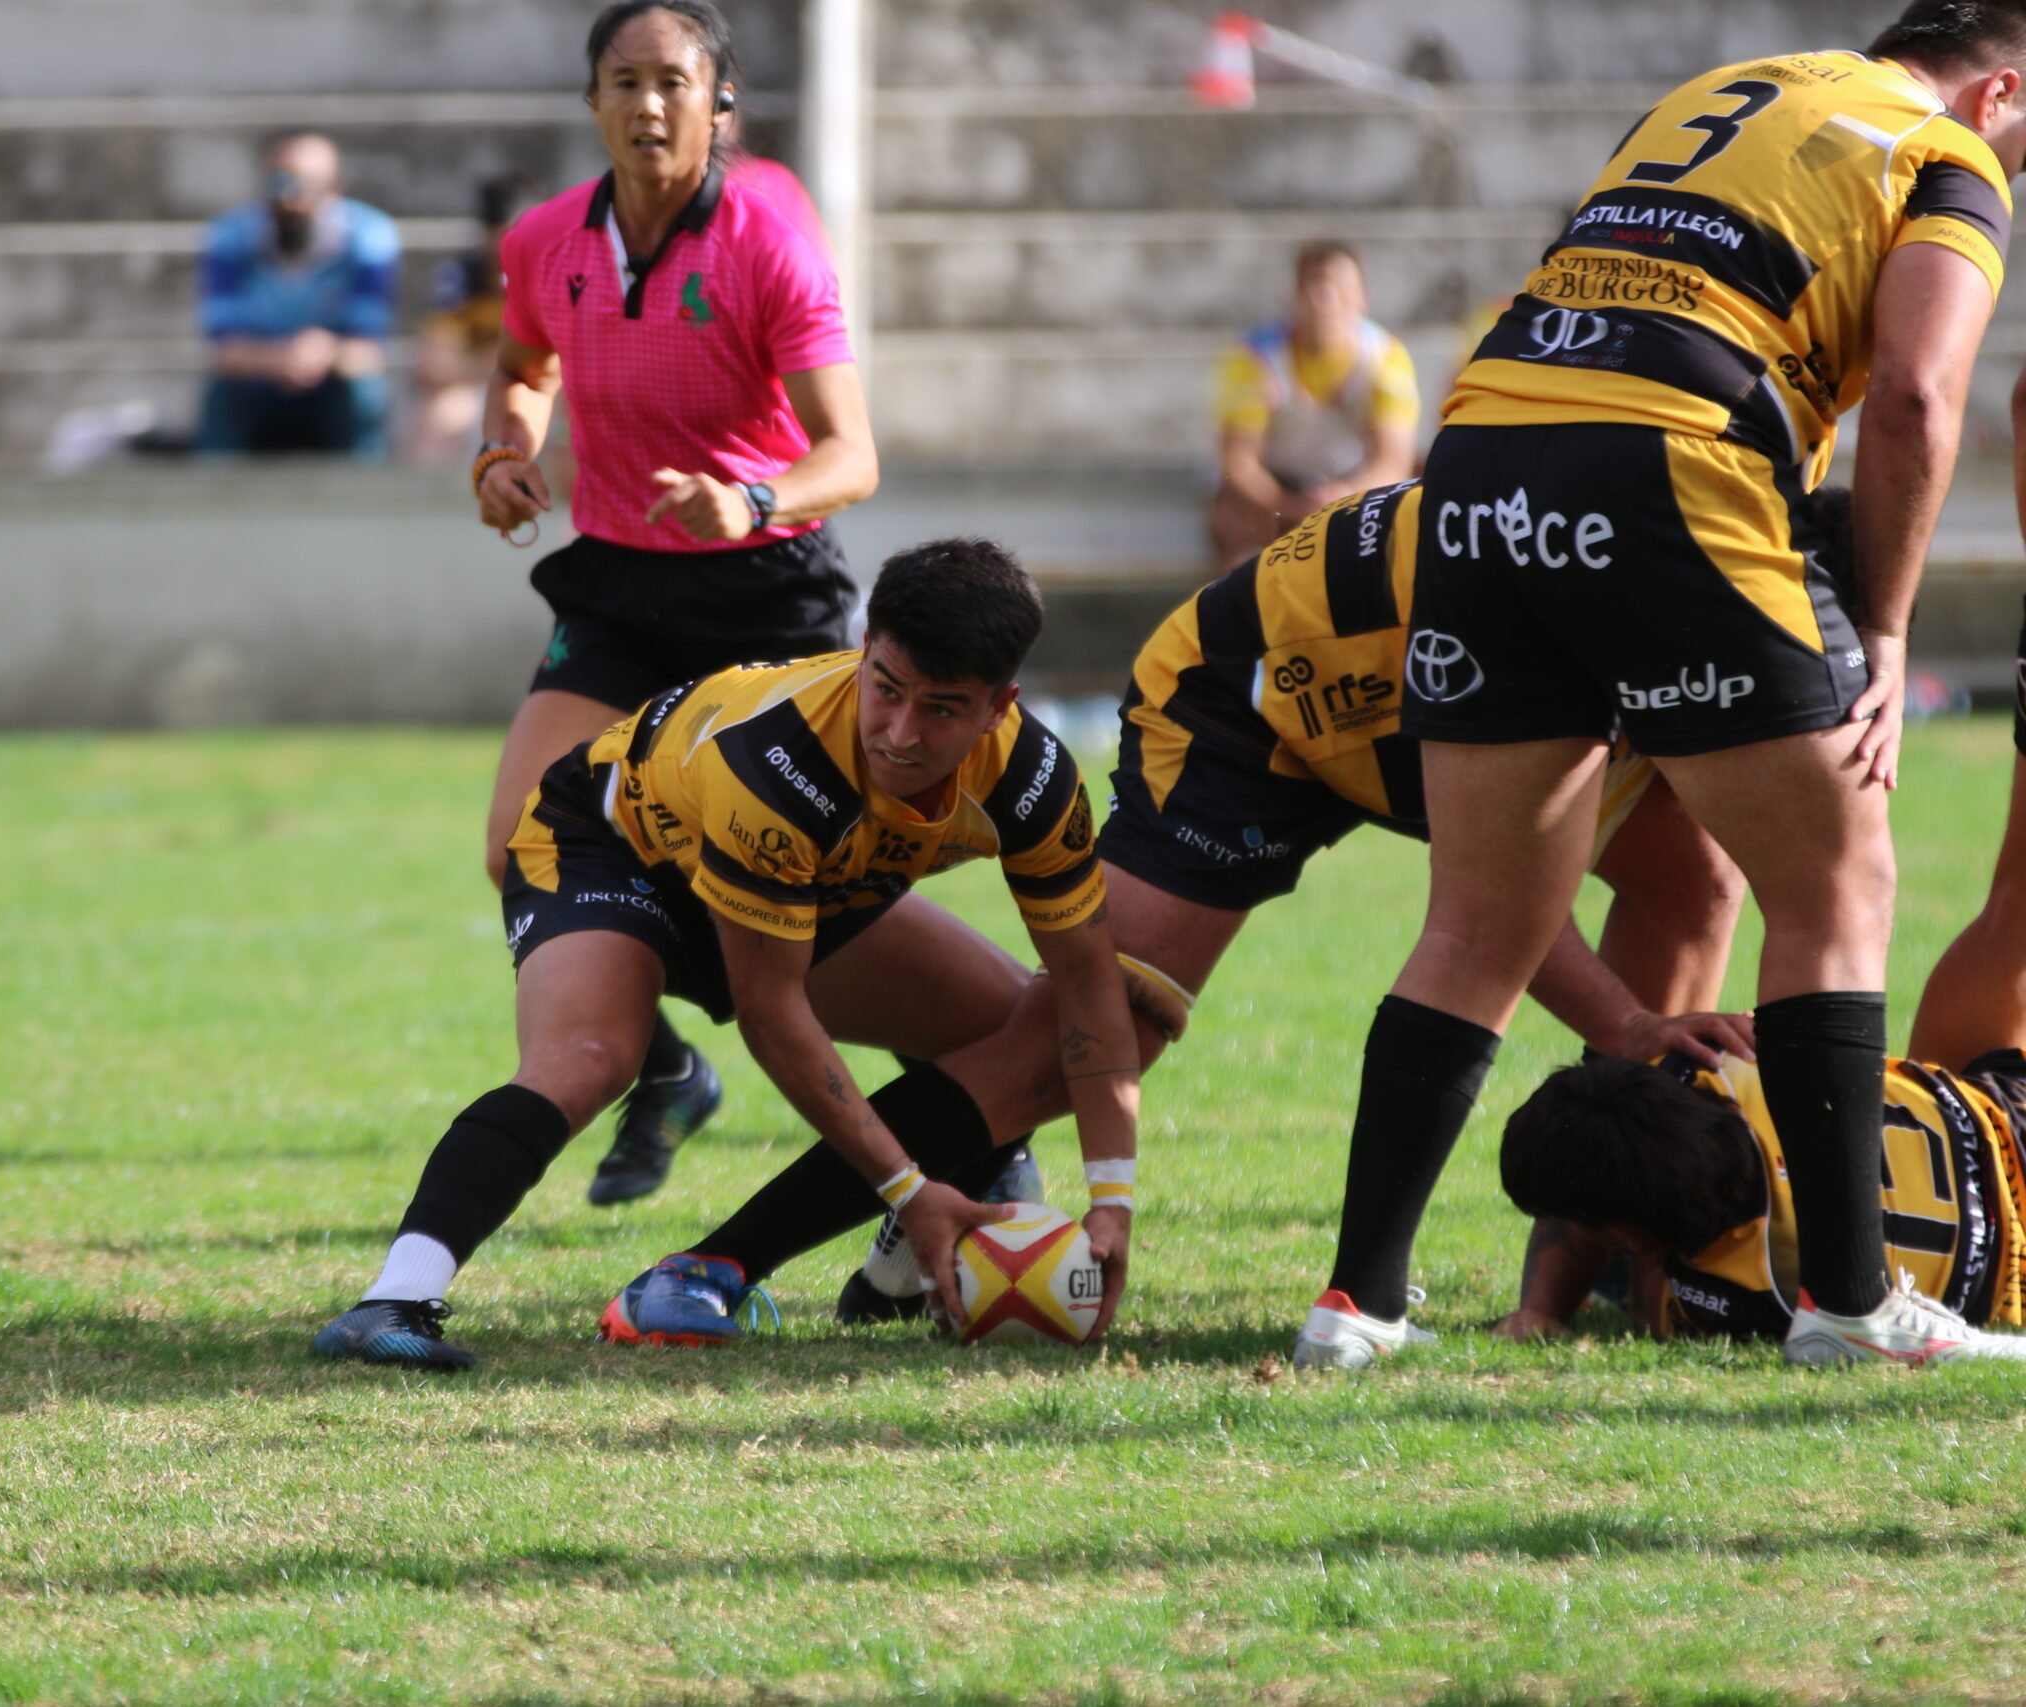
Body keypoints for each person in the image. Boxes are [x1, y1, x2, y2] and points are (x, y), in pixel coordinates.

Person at [1298, 6, 2026, 1372]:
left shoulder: (1733, 88)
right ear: (1999, 89)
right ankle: (1853, 1303)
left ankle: (1357, 1306)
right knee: (1839, 878)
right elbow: (1923, 397)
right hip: (1668, 462)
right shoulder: (1946, 151)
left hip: (1481, 459)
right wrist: (1883, 624)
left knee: (1477, 923)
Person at [666, 481, 1755, 1329]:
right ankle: (717, 1265)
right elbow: (1493, 891)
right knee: (1093, 1033)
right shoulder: (1574, 580)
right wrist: (1621, 1021)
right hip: (1250, 702)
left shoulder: (1687, 565)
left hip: (1413, 702)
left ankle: (1604, 1256)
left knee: (1697, 877)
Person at [310, 539, 1140, 1369]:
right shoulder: (778, 758)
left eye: (942, 709)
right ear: (863, 654)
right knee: (590, 1056)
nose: (899, 731)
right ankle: (395, 1300)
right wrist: (907, 1183)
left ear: (1001, 707)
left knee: (1013, 1030)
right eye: (884, 687)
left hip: (802, 891)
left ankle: (896, 1278)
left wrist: (1114, 1199)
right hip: (614, 847)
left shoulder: (1032, 778)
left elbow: (1087, 982)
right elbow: (772, 1012)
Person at [472, 0, 880, 1208]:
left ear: (719, 104)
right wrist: (504, 454)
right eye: (624, 81)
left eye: (672, 83)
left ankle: (972, 1117)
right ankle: (664, 1073)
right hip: (620, 585)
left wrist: (749, 504)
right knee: (516, 850)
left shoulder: (764, 241)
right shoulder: (548, 240)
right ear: (592, 102)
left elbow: (851, 455)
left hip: (769, 591)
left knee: (833, 908)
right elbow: (521, 368)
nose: (648, 105)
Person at [1494, 1050, 2026, 1354]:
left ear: (1633, 1232)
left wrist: (1542, 1309)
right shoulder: (1706, 1064)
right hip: (1999, 1113)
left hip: (2009, 1273)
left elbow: (1649, 1299)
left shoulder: (1746, 1290)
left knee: (1606, 1279)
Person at [1206, 241, 1421, 565]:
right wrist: (1282, 504)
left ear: (1362, 298)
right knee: (1232, 522)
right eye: (1316, 286)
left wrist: (1343, 496)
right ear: (1295, 296)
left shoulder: (1385, 358)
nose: (1327, 300)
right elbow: (1239, 463)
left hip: (1352, 483)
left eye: (1340, 288)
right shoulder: (1255, 358)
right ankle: (1238, 608)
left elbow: (1394, 461)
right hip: (1275, 487)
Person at [196, 131, 399, 461]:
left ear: (337, 188)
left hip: (331, 389)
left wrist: (325, 352)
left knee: (365, 392)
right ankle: (209, 502)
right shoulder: (227, 238)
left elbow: (370, 349)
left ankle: (363, 501)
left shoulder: (369, 239)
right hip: (257, 389)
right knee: (223, 394)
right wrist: (280, 359)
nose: (292, 198)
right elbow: (222, 349)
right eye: (280, 182)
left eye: (310, 185)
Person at [403, 178, 520, 466]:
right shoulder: (462, 277)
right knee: (441, 415)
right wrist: (498, 365)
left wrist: (503, 363)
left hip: (543, 393)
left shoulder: (559, 275)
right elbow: (434, 366)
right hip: (476, 390)